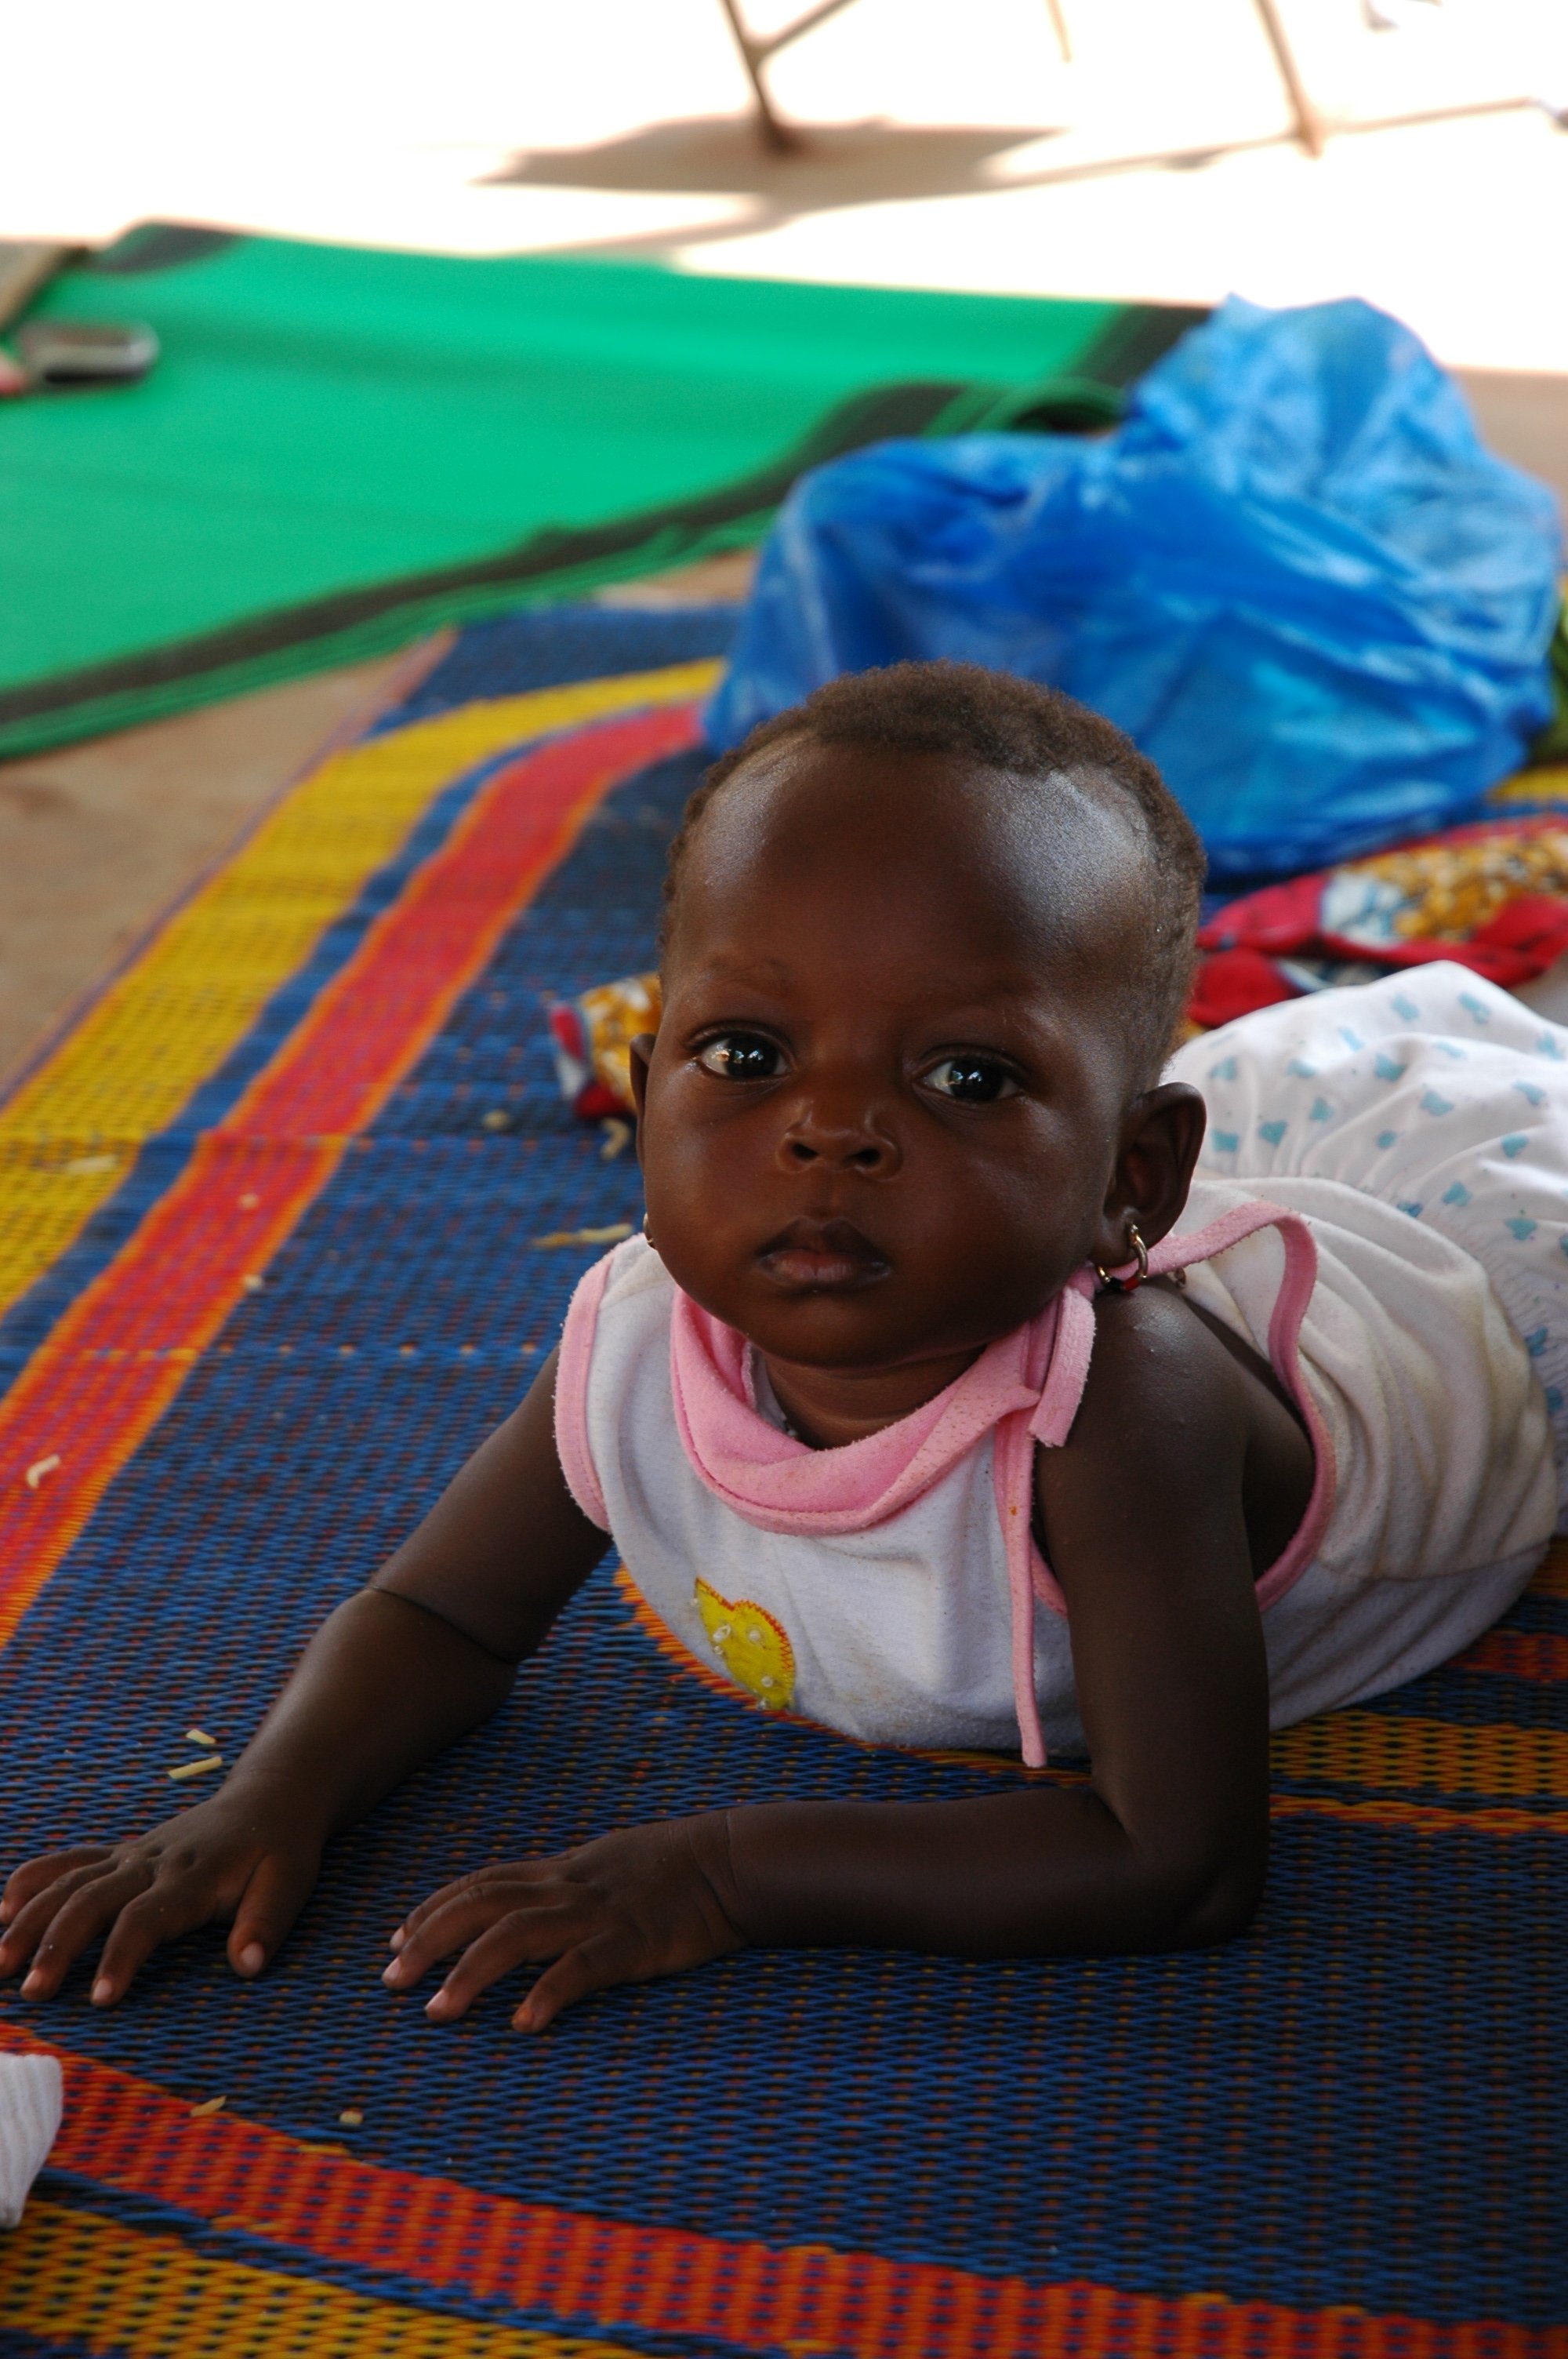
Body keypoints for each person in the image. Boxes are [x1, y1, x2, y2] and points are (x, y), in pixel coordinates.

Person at [2, 663, 1561, 2035]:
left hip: (1473, 1305)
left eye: (963, 1073)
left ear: (1127, 1182)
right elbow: (442, 1610)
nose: (828, 1129)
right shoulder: (632, 1323)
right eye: (746, 1055)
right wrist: (267, 1794)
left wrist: (719, 1872)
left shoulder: (1120, 1410)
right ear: (648, 1079)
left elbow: (1177, 1857)